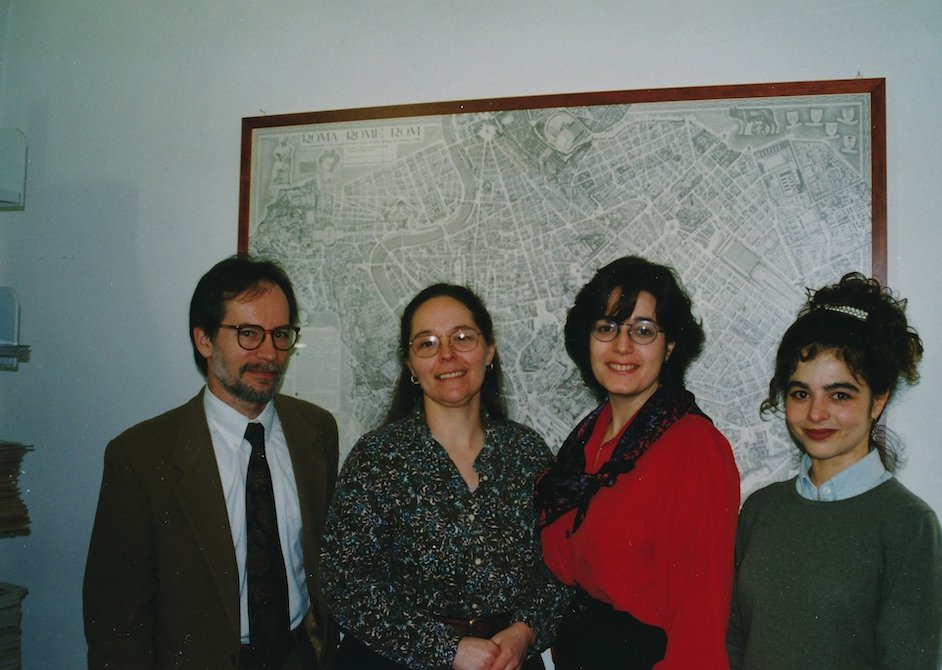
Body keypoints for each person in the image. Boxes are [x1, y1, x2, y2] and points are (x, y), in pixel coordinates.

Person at [83, 255, 340, 670]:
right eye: (249, 334)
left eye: (280, 334)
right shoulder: (142, 456)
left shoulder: (317, 431)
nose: (270, 354)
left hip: (300, 657)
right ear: (203, 340)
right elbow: (117, 615)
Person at [320, 283, 571, 670]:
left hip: (509, 661)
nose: (447, 355)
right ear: (410, 365)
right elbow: (344, 583)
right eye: (427, 343)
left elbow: (560, 563)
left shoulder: (527, 451)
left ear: (489, 350)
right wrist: (448, 648)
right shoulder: (377, 458)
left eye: (462, 338)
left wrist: (525, 631)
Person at [727, 272, 942, 669]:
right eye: (800, 393)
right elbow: (733, 644)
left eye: (839, 394)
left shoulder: (908, 524)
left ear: (878, 400)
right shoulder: (760, 510)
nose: (816, 413)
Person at [535, 256, 740, 670]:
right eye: (607, 328)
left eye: (643, 331)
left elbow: (699, 622)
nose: (622, 346)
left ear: (670, 346)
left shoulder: (695, 449)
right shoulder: (587, 440)